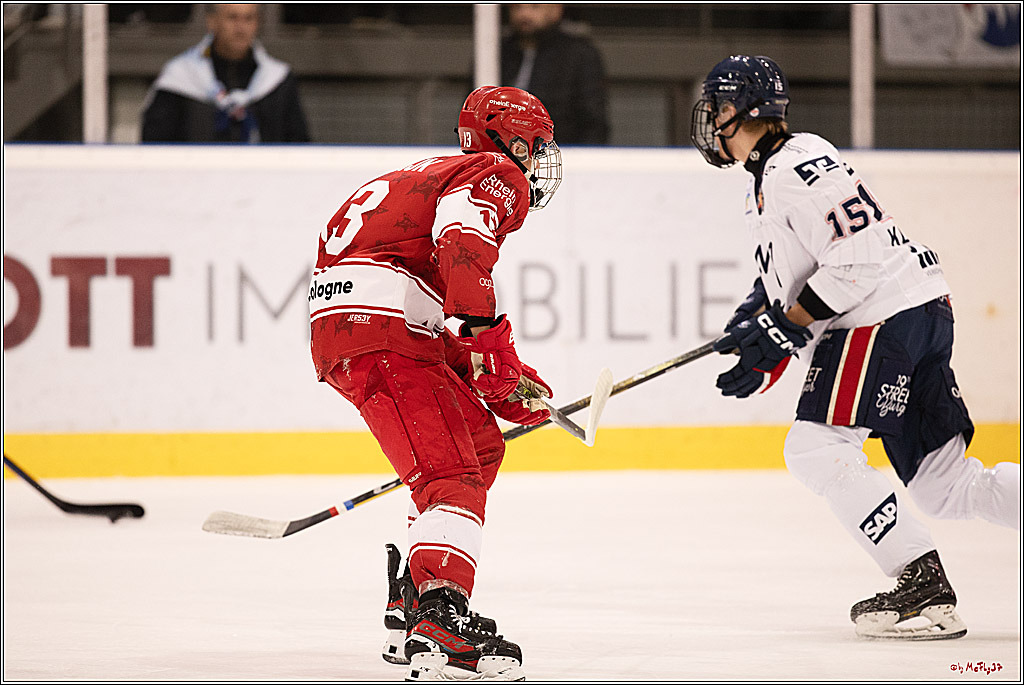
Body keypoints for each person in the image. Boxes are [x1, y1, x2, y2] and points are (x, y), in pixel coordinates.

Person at [692, 55, 1020, 640]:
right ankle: (925, 583)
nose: (712, 121)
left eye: (718, 108)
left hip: (882, 315)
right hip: (914, 309)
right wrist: (761, 318)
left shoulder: (795, 166)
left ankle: (920, 585)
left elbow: (857, 261)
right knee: (946, 486)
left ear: (746, 110)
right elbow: (800, 271)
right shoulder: (768, 180)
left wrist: (785, 326)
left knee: (814, 448)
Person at [309, 85, 563, 680]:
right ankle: (441, 619)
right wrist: (489, 348)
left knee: (476, 445)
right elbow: (463, 247)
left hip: (364, 331)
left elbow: (412, 298)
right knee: (452, 473)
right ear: (509, 137)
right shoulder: (494, 171)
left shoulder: (424, 175)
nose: (540, 157)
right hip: (380, 332)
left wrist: (502, 376)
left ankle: (413, 597)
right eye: (538, 143)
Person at [141, 4, 309, 143]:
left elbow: (299, 144)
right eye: (232, 18)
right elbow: (154, 145)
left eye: (248, 18)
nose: (241, 28)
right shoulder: (181, 76)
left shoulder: (276, 79)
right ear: (212, 21)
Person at [501, 4, 609, 145]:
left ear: (556, 9)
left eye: (535, 6)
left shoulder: (578, 54)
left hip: (562, 155)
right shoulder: (496, 52)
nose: (524, 14)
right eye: (517, 7)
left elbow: (594, 123)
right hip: (499, 155)